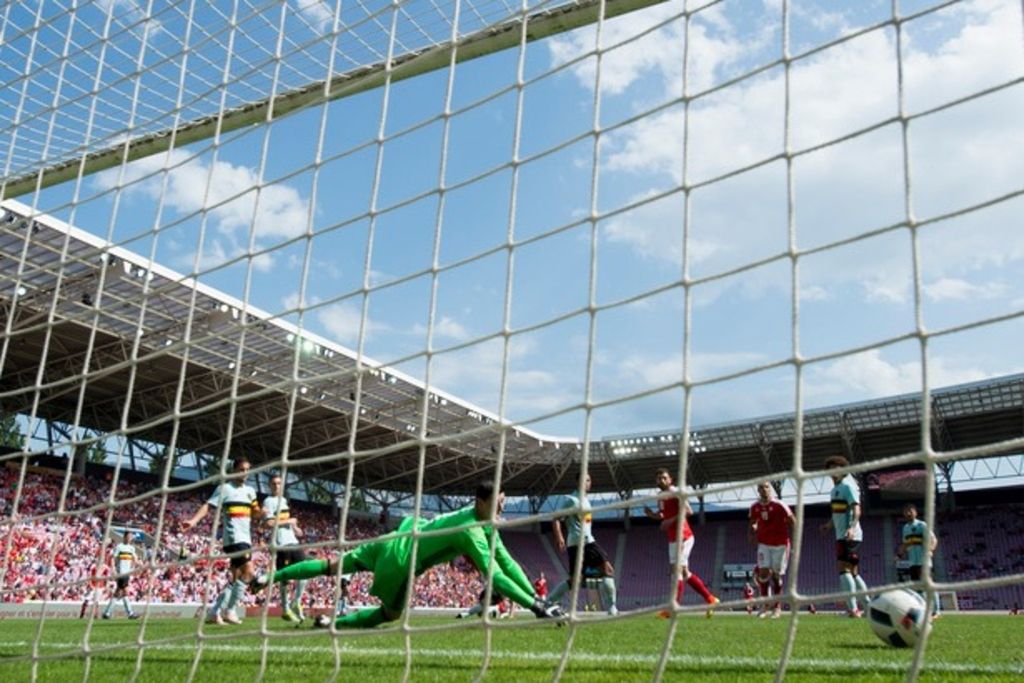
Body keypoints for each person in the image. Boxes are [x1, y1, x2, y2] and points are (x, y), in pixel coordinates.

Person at [252, 480, 562, 628]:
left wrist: (539, 600)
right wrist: (535, 605)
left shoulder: (480, 519)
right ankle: (336, 624)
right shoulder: (470, 531)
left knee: (330, 565)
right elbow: (495, 575)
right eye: (500, 500)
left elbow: (507, 563)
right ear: (483, 501)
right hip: (400, 560)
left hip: (395, 536)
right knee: (391, 614)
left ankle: (268, 577)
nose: (503, 506)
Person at [183, 457, 260, 625]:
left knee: (236, 577)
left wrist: (262, 513)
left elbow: (255, 513)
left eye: (247, 470)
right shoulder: (224, 488)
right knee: (249, 572)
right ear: (234, 471)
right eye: (241, 470)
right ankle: (230, 610)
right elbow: (208, 506)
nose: (245, 473)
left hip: (246, 537)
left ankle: (214, 612)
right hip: (234, 537)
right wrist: (193, 520)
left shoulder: (250, 492)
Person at [644, 468, 718, 618]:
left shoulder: (677, 493)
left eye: (664, 478)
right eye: (658, 478)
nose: (661, 480)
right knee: (683, 573)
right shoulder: (660, 496)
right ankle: (710, 599)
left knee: (677, 571)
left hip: (684, 536)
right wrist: (652, 515)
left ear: (671, 479)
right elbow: (663, 514)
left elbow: (688, 511)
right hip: (672, 538)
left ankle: (673, 609)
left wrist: (669, 521)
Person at [548, 473, 618, 616]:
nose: (587, 483)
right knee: (608, 570)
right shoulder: (572, 500)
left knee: (576, 581)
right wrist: (560, 537)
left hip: (581, 542)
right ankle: (612, 608)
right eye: (584, 480)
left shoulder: (585, 500)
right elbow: (556, 518)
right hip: (584, 542)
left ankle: (549, 601)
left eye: (589, 480)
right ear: (577, 482)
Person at [819, 455, 869, 618]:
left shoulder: (848, 487)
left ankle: (853, 609)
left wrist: (852, 527)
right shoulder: (834, 491)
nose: (834, 472)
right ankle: (868, 607)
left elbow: (857, 509)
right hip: (842, 535)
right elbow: (837, 514)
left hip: (849, 535)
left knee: (843, 569)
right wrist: (828, 525)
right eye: (831, 469)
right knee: (853, 572)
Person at [263, 473, 307, 623]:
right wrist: (289, 520)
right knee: (285, 578)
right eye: (274, 483)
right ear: (269, 485)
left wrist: (295, 528)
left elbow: (287, 521)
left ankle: (297, 601)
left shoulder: (283, 500)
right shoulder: (268, 502)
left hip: (292, 541)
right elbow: (268, 523)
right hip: (280, 543)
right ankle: (285, 608)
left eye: (279, 483)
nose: (277, 486)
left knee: (305, 571)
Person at [748, 481, 794, 619]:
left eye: (766, 487)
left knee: (776, 576)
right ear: (758, 490)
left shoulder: (780, 505)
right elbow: (752, 522)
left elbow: (793, 521)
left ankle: (777, 607)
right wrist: (752, 532)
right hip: (764, 544)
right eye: (761, 487)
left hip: (780, 544)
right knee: (762, 573)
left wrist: (796, 540)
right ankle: (764, 606)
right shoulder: (754, 507)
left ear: (771, 489)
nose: (764, 489)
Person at [895, 502, 940, 619]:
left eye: (910, 510)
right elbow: (905, 544)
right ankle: (924, 610)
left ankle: (936, 611)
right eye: (906, 511)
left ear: (915, 512)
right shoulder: (905, 528)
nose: (908, 513)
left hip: (924, 561)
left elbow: (933, 540)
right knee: (917, 588)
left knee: (928, 585)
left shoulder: (922, 525)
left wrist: (930, 550)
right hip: (913, 562)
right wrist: (899, 555)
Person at [102, 530, 139, 619]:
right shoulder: (119, 547)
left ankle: (107, 613)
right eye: (129, 536)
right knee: (124, 592)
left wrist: (136, 567)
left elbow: (135, 559)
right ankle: (130, 613)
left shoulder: (131, 548)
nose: (130, 538)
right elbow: (113, 558)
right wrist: (113, 569)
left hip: (127, 573)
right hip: (121, 572)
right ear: (125, 537)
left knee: (118, 593)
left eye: (131, 537)